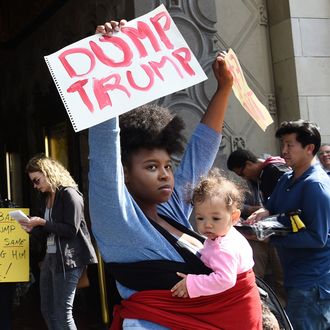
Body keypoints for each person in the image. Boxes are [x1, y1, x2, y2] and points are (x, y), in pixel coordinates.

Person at [88, 20, 248, 329]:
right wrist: (103, 62)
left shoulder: (174, 208)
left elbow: (201, 150)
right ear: (124, 175)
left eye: (167, 167)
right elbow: (104, 152)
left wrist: (224, 89)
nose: (165, 175)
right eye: (151, 167)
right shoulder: (118, 223)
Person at [247, 119, 330, 329]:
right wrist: (260, 214)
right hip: (294, 276)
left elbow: (317, 238)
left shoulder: (316, 186)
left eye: (289, 145)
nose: (283, 150)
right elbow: (271, 207)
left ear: (309, 148)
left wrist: (271, 239)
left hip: (313, 283)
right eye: (282, 144)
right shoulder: (287, 179)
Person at [170, 168, 262, 326]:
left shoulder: (224, 248)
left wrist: (192, 284)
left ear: (234, 217)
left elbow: (225, 280)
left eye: (215, 218)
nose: (207, 224)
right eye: (200, 218)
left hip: (238, 304)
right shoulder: (225, 234)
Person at [18, 154, 98, 330]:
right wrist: (33, 227)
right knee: (47, 309)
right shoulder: (46, 197)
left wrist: (42, 222)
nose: (35, 186)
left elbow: (71, 230)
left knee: (63, 312)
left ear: (48, 173)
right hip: (51, 259)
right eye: (33, 182)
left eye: (37, 180)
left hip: (70, 259)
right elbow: (48, 232)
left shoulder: (69, 194)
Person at [227, 149, 290, 305]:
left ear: (249, 164)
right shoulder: (256, 179)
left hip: (279, 236)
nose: (243, 178)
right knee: (257, 277)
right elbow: (241, 204)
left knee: (282, 277)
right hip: (260, 235)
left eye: (242, 173)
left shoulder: (276, 171)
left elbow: (283, 208)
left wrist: (265, 212)